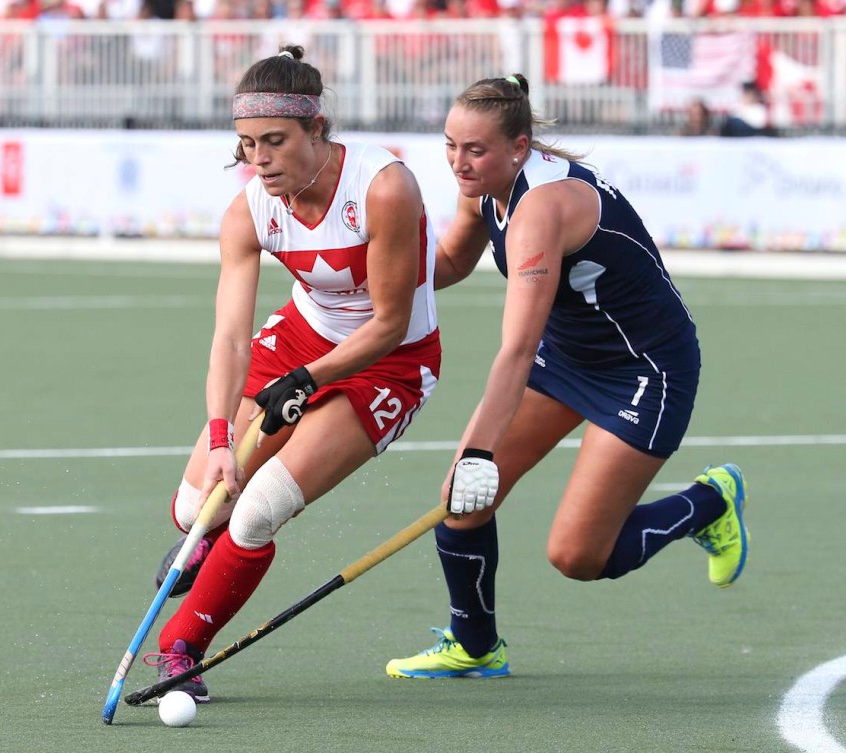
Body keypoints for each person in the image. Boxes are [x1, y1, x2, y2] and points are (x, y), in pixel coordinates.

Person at [384, 74, 749, 679]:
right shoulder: (481, 188)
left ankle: (709, 501)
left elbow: (517, 348)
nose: (459, 162)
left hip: (644, 369)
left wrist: (479, 451)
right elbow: (448, 262)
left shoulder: (541, 209)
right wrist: (363, 279)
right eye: (450, 145)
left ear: (519, 147)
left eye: (475, 150)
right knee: (461, 501)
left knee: (578, 555)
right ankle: (475, 648)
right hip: (571, 355)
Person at [140, 44, 442, 703]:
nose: (259, 160)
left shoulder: (383, 187)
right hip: (300, 339)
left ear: (318, 128)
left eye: (274, 141)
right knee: (196, 505)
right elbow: (229, 335)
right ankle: (204, 539)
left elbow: (389, 323)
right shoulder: (248, 209)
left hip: (391, 362)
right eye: (246, 144)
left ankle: (181, 648)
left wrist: (306, 380)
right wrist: (222, 436)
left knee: (257, 509)